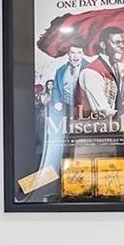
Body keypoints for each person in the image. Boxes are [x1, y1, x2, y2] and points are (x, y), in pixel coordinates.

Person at [39, 40, 87, 175]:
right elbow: (55, 89)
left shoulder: (90, 68)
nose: (76, 56)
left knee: (82, 141)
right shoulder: (60, 70)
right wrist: (56, 101)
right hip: (65, 110)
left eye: (79, 52)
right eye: (72, 52)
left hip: (84, 111)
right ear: (68, 54)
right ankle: (54, 172)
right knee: (61, 140)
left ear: (83, 54)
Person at [77, 26, 124, 118]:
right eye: (117, 42)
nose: (122, 46)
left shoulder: (117, 67)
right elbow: (103, 113)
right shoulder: (90, 72)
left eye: (123, 42)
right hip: (95, 129)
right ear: (103, 45)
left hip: (117, 127)